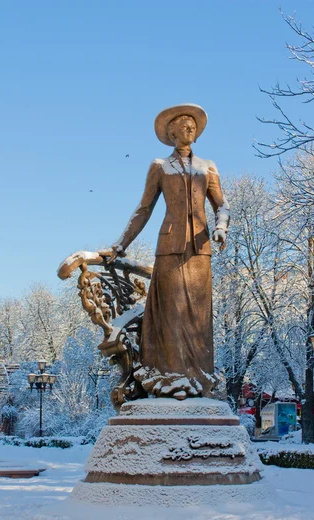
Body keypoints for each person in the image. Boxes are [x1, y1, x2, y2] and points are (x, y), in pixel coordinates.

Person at [109, 104, 229, 400]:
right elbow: (144, 208)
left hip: (200, 248)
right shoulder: (160, 166)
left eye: (191, 127)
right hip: (169, 246)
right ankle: (172, 377)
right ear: (171, 133)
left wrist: (221, 228)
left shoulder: (208, 166)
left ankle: (199, 377)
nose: (187, 131)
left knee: (199, 314)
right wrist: (121, 243)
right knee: (172, 312)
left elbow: (221, 205)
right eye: (181, 127)